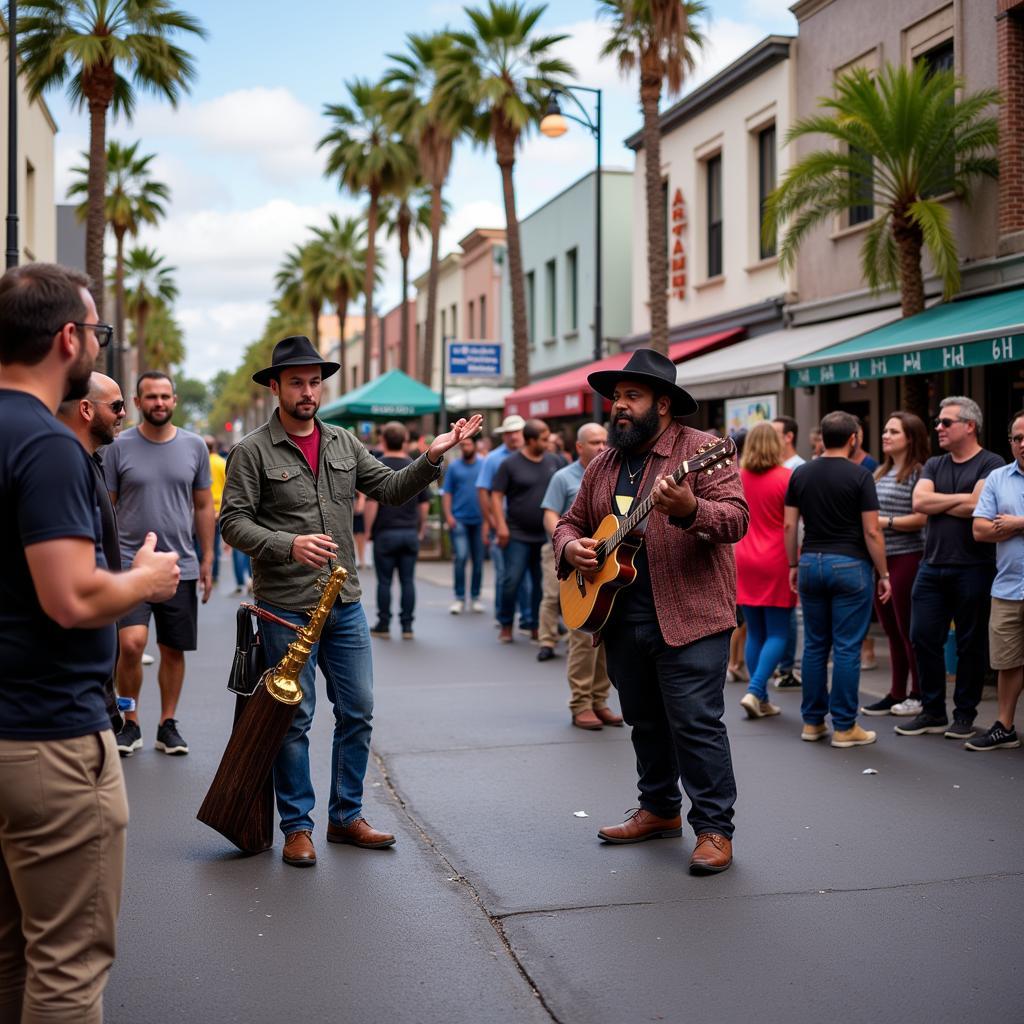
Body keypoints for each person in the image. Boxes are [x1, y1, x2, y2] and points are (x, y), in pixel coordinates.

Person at [220, 335, 480, 867]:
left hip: (344, 602)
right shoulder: (250, 451)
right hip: (285, 606)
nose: (308, 391)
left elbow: (388, 488)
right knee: (294, 720)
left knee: (358, 710)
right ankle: (297, 827)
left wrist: (432, 455)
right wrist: (287, 544)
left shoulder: (342, 443)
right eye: (297, 382)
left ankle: (346, 816)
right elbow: (232, 522)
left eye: (315, 382)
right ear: (276, 386)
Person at [0, 263, 179, 1022]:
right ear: (68, 338)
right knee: (68, 968)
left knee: (11, 953)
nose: (98, 344)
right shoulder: (46, 445)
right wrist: (145, 580)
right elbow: (71, 596)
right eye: (97, 332)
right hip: (47, 739)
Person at [553, 349, 748, 875]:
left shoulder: (703, 450)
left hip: (690, 613)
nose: (618, 405)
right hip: (619, 614)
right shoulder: (604, 463)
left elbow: (735, 519)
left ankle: (713, 829)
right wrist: (570, 548)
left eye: (630, 396)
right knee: (643, 720)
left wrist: (690, 510)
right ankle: (660, 809)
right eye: (615, 397)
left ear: (663, 405)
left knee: (696, 724)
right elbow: (570, 522)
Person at [105, 371, 215, 758]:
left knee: (172, 649)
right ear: (137, 403)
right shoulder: (118, 447)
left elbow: (203, 506)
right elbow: (107, 506)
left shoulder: (194, 446)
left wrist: (207, 558)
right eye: (150, 397)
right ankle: (128, 720)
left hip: (178, 567)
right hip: (129, 567)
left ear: (174, 400)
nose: (159, 403)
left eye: (165, 396)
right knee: (130, 645)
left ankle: (167, 724)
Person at [896, 396, 1005, 740]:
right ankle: (932, 710)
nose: (938, 428)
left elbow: (977, 509)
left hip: (973, 566)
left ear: (969, 426)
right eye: (938, 422)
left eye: (946, 422)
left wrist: (944, 503)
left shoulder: (992, 463)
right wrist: (963, 500)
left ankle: (964, 714)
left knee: (970, 644)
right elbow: (919, 502)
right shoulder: (934, 464)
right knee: (922, 636)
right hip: (932, 565)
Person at [784, 411, 891, 748]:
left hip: (811, 563)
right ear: (853, 439)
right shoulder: (861, 476)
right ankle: (845, 726)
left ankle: (813, 722)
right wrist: (884, 572)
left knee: (816, 645)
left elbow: (789, 526)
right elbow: (872, 530)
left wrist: (792, 564)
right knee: (846, 647)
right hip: (850, 564)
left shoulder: (801, 474)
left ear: (822, 439)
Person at [57, 371, 129, 730]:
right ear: (86, 409)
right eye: (116, 405)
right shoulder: (67, 470)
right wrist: (146, 579)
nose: (123, 414)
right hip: (77, 695)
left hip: (93, 686)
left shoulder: (91, 463)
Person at [540, 423, 623, 729]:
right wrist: (566, 545)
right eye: (595, 442)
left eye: (605, 441)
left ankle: (600, 700)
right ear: (579, 447)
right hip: (575, 562)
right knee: (582, 636)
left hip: (608, 564)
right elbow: (551, 514)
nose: (602, 447)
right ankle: (580, 703)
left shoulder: (613, 474)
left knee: (606, 635)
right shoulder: (564, 477)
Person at [859, 412, 929, 717]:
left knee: (907, 629)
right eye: (885, 430)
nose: (885, 435)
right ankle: (896, 692)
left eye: (894, 432)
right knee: (889, 629)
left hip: (908, 557)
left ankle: (919, 693)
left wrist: (884, 522)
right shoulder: (880, 472)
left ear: (910, 438)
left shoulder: (920, 473)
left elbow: (922, 518)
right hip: (880, 560)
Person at [969, 410, 1024, 750]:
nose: (1022, 444)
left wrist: (1017, 523)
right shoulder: (998, 478)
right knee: (1008, 661)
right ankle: (1005, 726)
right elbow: (979, 529)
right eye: (1017, 438)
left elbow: (1001, 527)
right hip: (1008, 587)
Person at [735, 422, 795, 720]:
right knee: (779, 632)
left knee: (755, 632)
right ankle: (756, 689)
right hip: (775, 558)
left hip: (743, 557)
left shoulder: (738, 476)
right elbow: (791, 524)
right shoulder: (787, 477)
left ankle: (762, 698)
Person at [491, 418, 563, 645]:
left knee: (540, 583)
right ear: (531, 440)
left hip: (544, 535)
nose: (548, 441)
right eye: (543, 438)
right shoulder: (510, 464)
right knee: (512, 580)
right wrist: (500, 526)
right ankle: (505, 623)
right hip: (516, 534)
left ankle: (534, 625)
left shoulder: (555, 461)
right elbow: (496, 495)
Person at [365, 421, 431, 640]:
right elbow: (424, 505)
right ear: (405, 441)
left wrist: (367, 531)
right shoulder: (415, 465)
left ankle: (383, 624)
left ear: (383, 440)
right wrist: (420, 528)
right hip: (409, 532)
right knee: (407, 580)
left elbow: (372, 503)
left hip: (385, 532)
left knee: (384, 581)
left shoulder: (376, 466)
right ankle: (407, 626)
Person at [477, 414, 532, 629]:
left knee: (526, 575)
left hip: (525, 526)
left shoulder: (533, 455)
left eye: (517, 432)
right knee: (504, 574)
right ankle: (503, 615)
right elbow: (483, 491)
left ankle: (527, 617)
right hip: (502, 524)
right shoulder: (493, 458)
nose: (514, 437)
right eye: (509, 433)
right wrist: (490, 521)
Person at [771, 417, 804, 690]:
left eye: (776, 433)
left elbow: (795, 522)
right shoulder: (777, 471)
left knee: (786, 613)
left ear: (789, 437)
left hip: (791, 546)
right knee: (779, 616)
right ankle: (778, 671)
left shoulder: (798, 469)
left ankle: (785, 667)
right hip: (775, 549)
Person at [442, 435, 485, 614]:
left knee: (478, 561)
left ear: (475, 445)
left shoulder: (484, 465)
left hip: (480, 520)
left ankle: (475, 597)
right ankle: (459, 597)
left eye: (468, 444)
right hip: (459, 519)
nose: (465, 447)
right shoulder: (454, 467)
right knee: (460, 557)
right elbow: (447, 492)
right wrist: (449, 516)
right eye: (463, 445)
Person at [205, 435, 226, 584]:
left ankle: (203, 572)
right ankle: (215, 576)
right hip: (219, 511)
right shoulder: (222, 463)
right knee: (215, 546)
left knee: (200, 545)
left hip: (202, 510)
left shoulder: (201, 463)